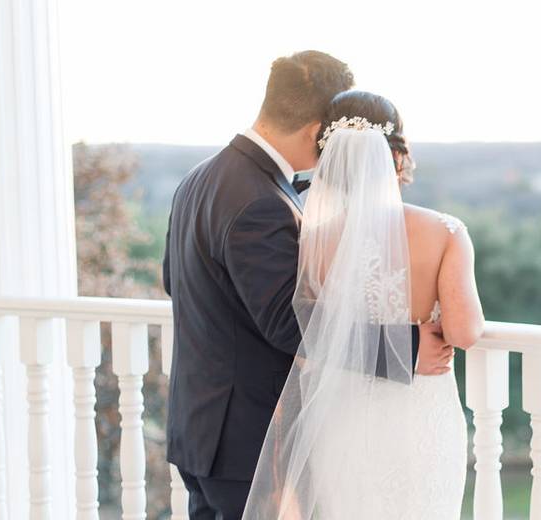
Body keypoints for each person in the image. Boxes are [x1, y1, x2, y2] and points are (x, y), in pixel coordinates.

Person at [162, 52, 455, 519]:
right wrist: (409, 346)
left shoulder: (199, 179)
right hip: (244, 439)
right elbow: (288, 322)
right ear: (317, 127)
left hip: (198, 426)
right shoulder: (260, 201)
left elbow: (173, 284)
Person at [242, 90, 485, 519]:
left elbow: (312, 332)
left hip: (343, 421)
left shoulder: (315, 241)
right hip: (418, 420)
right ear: (397, 156)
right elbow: (465, 333)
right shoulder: (446, 232)